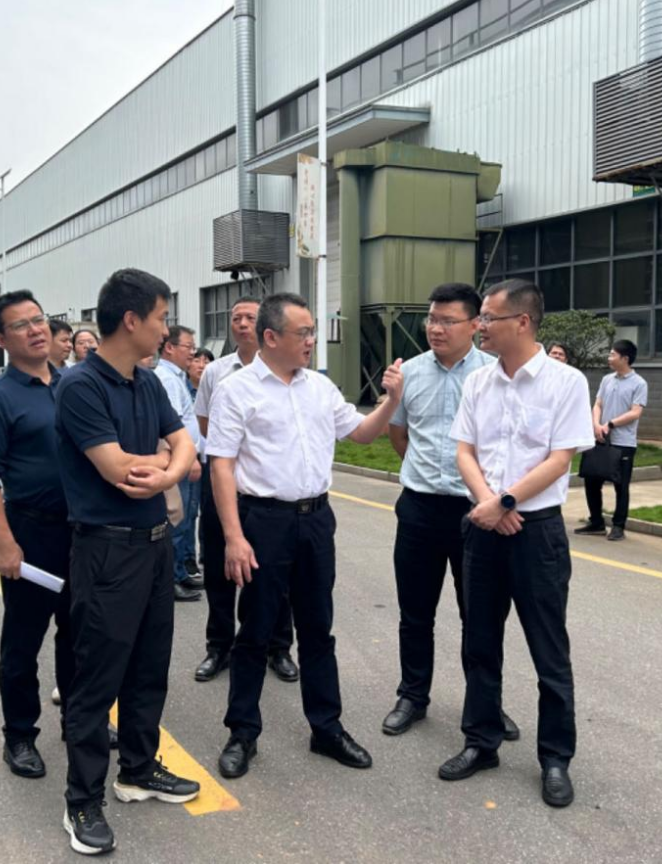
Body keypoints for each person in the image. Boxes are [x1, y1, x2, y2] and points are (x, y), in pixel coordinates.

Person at [206, 292, 404, 779]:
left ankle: (327, 728)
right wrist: (233, 536)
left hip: (316, 520)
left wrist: (391, 402)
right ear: (271, 337)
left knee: (318, 628)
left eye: (313, 331)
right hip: (263, 522)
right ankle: (242, 732)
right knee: (255, 630)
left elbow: (360, 434)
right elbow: (221, 464)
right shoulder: (236, 390)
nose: (312, 340)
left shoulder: (319, 387)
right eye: (304, 333)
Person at [55, 268, 200, 855]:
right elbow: (117, 469)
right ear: (132, 319)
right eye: (162, 318)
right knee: (97, 681)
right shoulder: (81, 386)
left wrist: (163, 471)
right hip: (107, 550)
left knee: (148, 668)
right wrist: (167, 466)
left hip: (154, 545)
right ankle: (82, 800)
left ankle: (138, 770)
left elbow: (184, 443)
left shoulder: (147, 382)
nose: (166, 330)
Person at [439, 279, 594, 810]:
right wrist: (489, 504)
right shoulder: (479, 383)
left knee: (548, 649)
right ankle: (481, 742)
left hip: (537, 532)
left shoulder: (565, 382)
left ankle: (555, 758)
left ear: (522, 322)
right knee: (479, 642)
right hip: (485, 528)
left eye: (488, 318)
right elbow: (464, 450)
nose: (480, 326)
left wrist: (506, 501)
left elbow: (560, 458)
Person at [380, 283, 520, 744]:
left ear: (475, 325)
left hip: (474, 512)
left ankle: (486, 704)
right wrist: (422, 472)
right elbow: (398, 434)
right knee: (415, 612)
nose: (435, 328)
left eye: (447, 321)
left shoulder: (492, 375)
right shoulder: (409, 373)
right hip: (419, 509)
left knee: (479, 616)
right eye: (431, 319)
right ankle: (412, 696)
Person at [0, 290, 73, 782]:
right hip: (31, 533)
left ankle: (79, 719)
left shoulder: (73, 385)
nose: (35, 330)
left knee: (80, 634)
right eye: (21, 325)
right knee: (23, 641)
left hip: (83, 532)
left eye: (39, 319)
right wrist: (5, 542)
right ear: (1, 339)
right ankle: (20, 735)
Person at [192, 296, 297, 686]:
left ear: (265, 326)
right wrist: (233, 451)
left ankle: (278, 647)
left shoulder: (288, 369)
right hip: (222, 480)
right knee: (219, 566)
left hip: (267, 487)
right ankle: (219, 646)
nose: (240, 323)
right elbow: (205, 423)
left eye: (248, 317)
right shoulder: (216, 371)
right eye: (235, 317)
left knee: (275, 568)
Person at [152, 325, 205, 602]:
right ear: (170, 348)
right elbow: (172, 426)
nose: (192, 353)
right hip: (180, 461)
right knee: (176, 520)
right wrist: (189, 458)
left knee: (186, 519)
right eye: (188, 347)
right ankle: (170, 579)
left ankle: (180, 571)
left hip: (185, 459)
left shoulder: (176, 377)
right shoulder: (167, 379)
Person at [576, 339, 648, 542]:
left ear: (625, 358)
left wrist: (611, 424)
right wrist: (596, 424)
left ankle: (618, 526)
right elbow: (597, 404)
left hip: (623, 443)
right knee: (591, 480)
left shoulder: (639, 383)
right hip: (600, 438)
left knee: (621, 486)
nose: (609, 358)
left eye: (612, 354)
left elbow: (635, 412)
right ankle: (596, 522)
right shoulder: (607, 379)